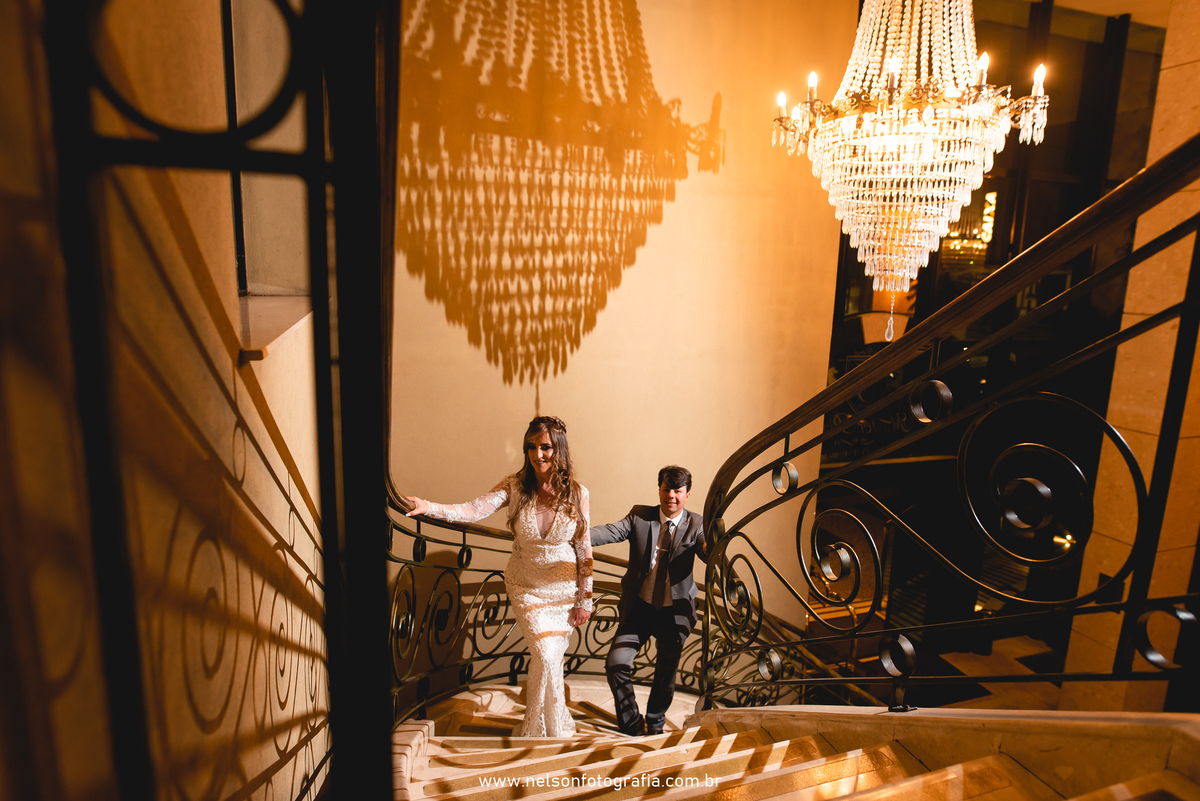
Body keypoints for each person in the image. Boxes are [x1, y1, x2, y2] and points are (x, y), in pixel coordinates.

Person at [403, 415, 593, 737]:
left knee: (550, 658)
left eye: (545, 447)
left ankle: (547, 726)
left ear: (558, 449)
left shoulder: (578, 493)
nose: (537, 454)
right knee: (545, 654)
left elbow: (583, 548)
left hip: (562, 590)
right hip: (525, 586)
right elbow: (471, 510)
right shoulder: (514, 486)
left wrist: (584, 599)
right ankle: (544, 729)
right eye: (531, 447)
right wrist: (428, 506)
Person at [589, 465, 705, 736]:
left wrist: (713, 547)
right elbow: (611, 531)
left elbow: (706, 550)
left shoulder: (697, 523)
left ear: (687, 495)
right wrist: (576, 535)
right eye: (666, 489)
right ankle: (631, 724)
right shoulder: (640, 516)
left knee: (666, 672)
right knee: (616, 663)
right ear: (659, 490)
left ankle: (655, 722)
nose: (671, 496)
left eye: (677, 491)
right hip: (640, 608)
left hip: (674, 613)